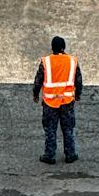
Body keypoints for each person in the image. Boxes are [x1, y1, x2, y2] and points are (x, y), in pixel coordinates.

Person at [32, 35, 81, 164]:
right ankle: (70, 154)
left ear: (52, 48)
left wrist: (35, 94)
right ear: (64, 47)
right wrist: (78, 94)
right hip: (67, 101)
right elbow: (78, 80)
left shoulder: (46, 62)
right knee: (68, 129)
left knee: (50, 129)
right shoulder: (72, 61)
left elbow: (38, 80)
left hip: (50, 102)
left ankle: (49, 155)